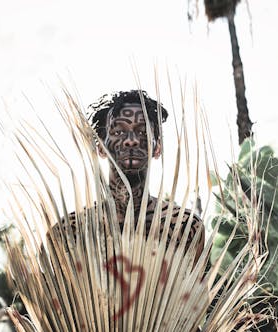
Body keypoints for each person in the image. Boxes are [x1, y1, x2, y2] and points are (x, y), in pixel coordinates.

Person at [50, 90, 205, 259]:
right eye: (118, 132)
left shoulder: (185, 228)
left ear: (157, 147)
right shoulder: (68, 234)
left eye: (143, 132)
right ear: (101, 147)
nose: (131, 140)